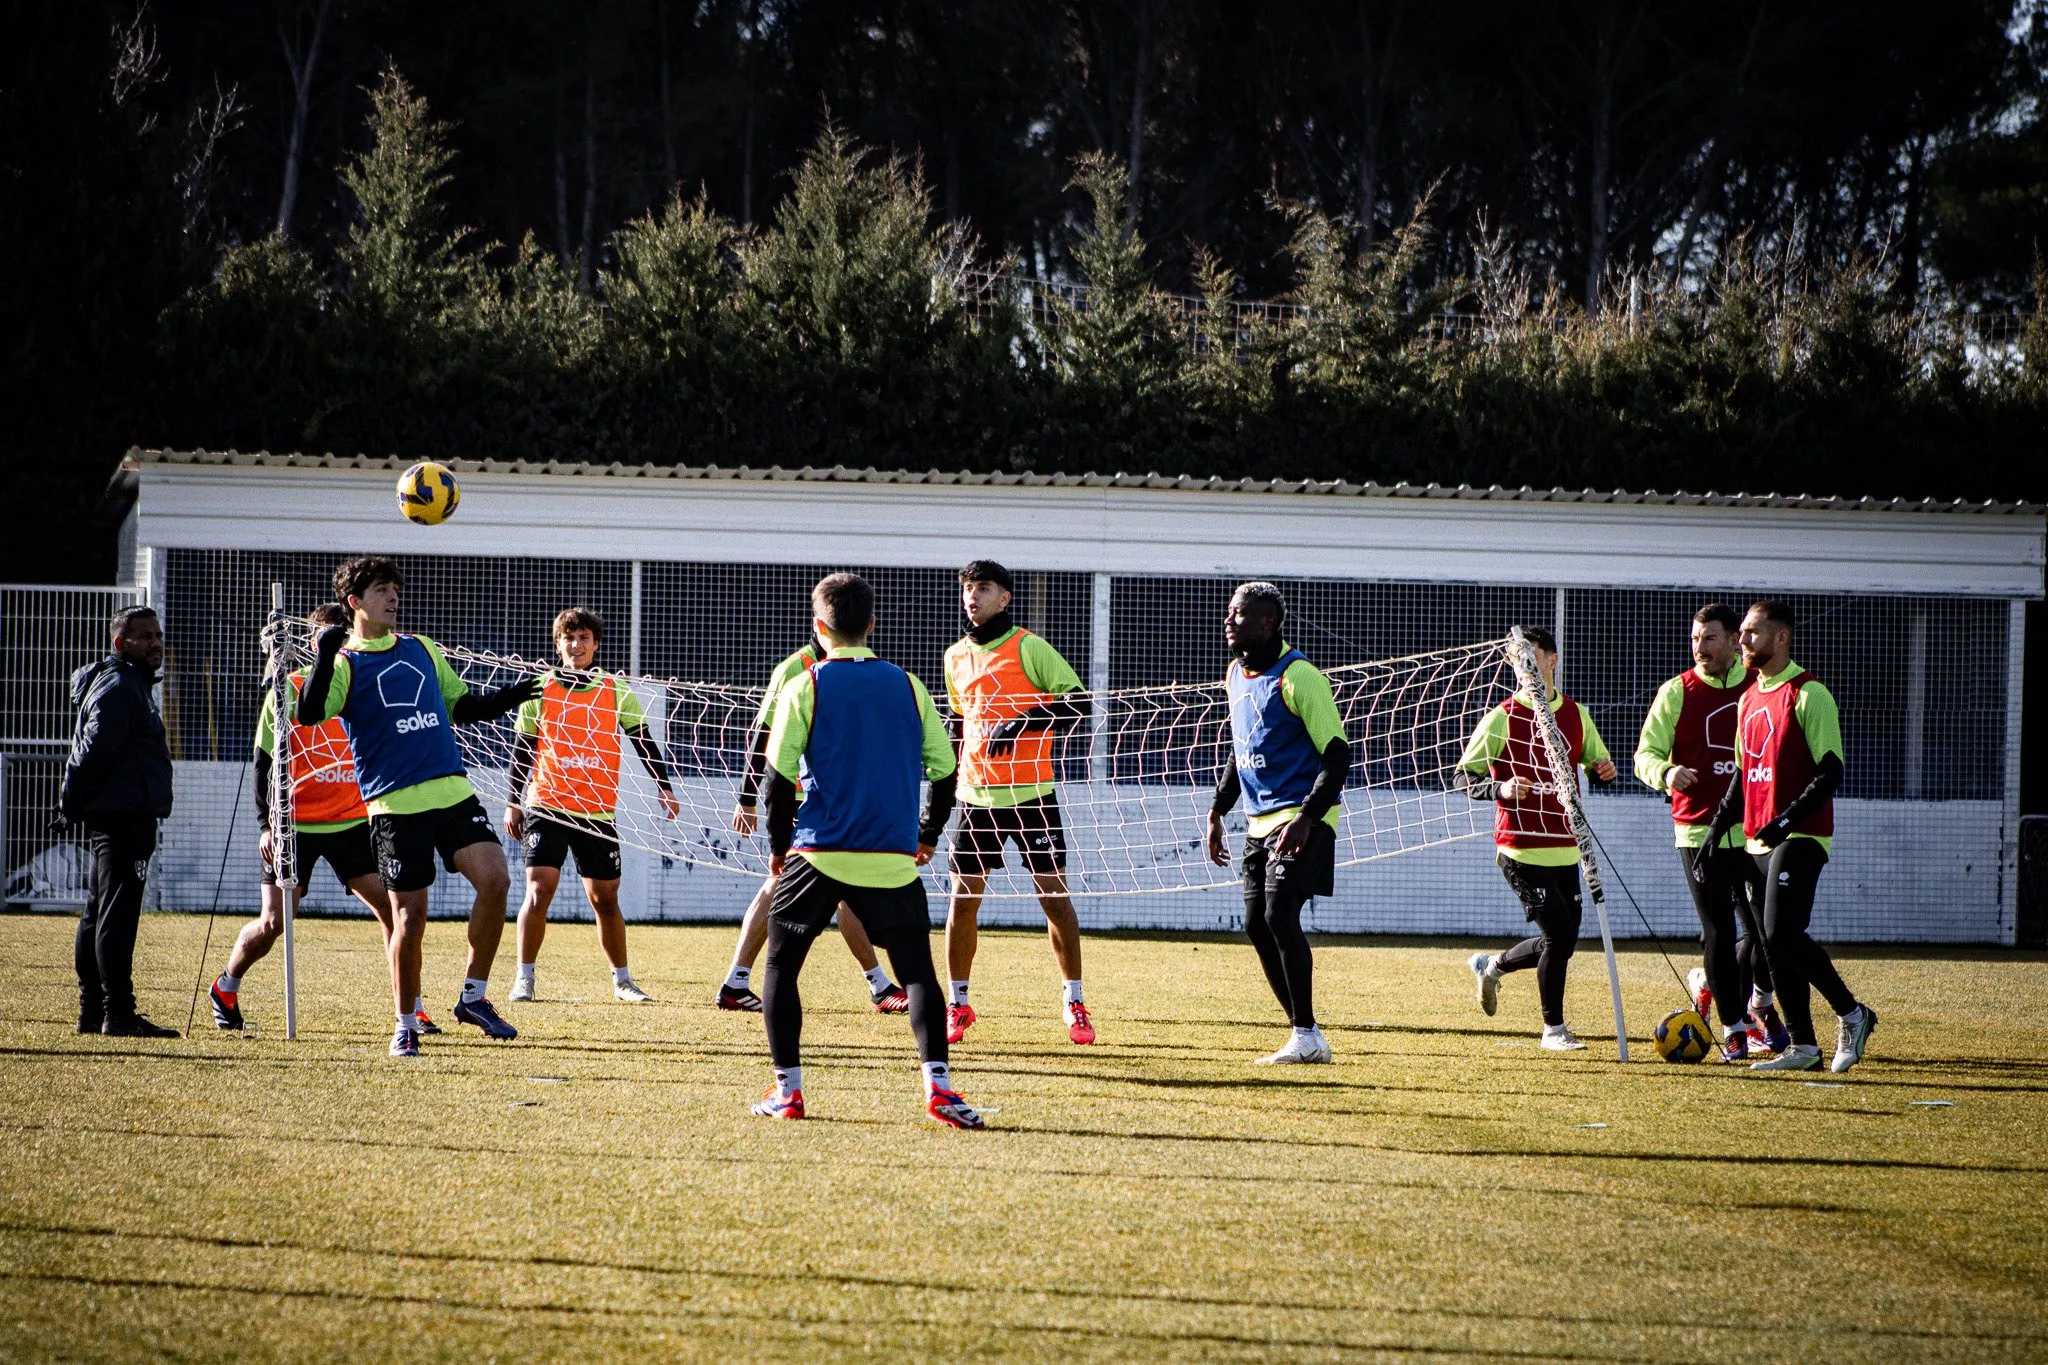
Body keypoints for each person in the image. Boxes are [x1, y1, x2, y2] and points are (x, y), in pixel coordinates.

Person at [753, 572, 983, 1127]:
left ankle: (788, 1093)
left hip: (817, 853)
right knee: (918, 973)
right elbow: (946, 770)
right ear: (871, 625)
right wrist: (928, 834)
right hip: (890, 858)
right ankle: (939, 1088)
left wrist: (779, 847)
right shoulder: (909, 685)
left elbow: (777, 780)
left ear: (818, 626)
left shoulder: (804, 684)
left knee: (781, 967)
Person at [297, 556, 539, 1057]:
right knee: (409, 918)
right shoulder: (345, 662)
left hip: (452, 792)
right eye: (381, 589)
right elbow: (310, 713)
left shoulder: (421, 647)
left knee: (496, 879)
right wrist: (324, 654)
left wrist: (511, 696)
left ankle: (473, 997)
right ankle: (405, 1023)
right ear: (354, 602)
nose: (393, 597)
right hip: (394, 805)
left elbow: (461, 708)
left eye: (395, 588)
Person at [209, 604, 410, 1032]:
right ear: (313, 642)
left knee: (393, 909)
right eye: (329, 639)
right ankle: (226, 985)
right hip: (294, 824)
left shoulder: (365, 683)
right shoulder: (288, 689)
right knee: (275, 922)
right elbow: (263, 765)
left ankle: (409, 1008)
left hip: (351, 822)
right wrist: (266, 825)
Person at [1701, 600, 1877, 1074]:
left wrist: (1785, 820)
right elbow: (1743, 775)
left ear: (1781, 638)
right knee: (1770, 943)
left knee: (1781, 933)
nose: (1742, 640)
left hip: (1801, 834)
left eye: (1752, 632)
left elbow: (1830, 771)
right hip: (1756, 839)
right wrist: (1717, 827)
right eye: (1741, 633)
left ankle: (1852, 1013)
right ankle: (1803, 1046)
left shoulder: (1809, 693)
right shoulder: (1747, 699)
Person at [940, 559, 1094, 1046]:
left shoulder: (1029, 647)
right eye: (968, 588)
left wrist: (1023, 721)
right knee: (962, 901)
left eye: (983, 588)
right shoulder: (954, 656)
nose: (973, 595)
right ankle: (958, 1004)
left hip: (1032, 796)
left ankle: (1074, 1001)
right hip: (974, 797)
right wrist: (943, 782)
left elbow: (1079, 703)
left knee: (1054, 898)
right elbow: (958, 724)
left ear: (1004, 598)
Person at [718, 632, 907, 1016]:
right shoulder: (795, 668)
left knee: (842, 886)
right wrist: (746, 797)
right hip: (801, 799)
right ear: (821, 624)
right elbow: (765, 733)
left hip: (834, 801)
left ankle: (878, 985)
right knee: (786, 883)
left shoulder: (855, 667)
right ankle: (737, 981)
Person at [1633, 603, 1790, 1063]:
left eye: (1710, 638)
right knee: (1719, 931)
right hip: (1698, 832)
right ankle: (1733, 1028)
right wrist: (1666, 772)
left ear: (1734, 641)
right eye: (1695, 639)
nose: (1699, 647)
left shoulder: (1759, 685)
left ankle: (1756, 1001)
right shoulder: (1675, 692)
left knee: (1767, 933)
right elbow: (1644, 755)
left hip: (1756, 830)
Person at [1204, 582, 1352, 1065]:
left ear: (1268, 621)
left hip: (1302, 815)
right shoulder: (1235, 674)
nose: (1228, 620)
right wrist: (1217, 811)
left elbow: (1337, 756)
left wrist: (1307, 818)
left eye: (1239, 614)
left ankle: (1305, 1034)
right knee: (1255, 923)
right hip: (1258, 820)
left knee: (1278, 914)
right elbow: (1241, 748)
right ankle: (1306, 1033)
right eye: (1229, 612)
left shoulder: (1299, 676)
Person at [504, 608, 677, 1004]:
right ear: (558, 644)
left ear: (595, 644)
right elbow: (522, 750)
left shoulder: (615, 689)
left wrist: (664, 788)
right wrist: (513, 802)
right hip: (546, 804)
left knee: (604, 898)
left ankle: (623, 981)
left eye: (583, 638)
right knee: (539, 888)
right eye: (569, 638)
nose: (576, 645)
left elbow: (643, 740)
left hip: (596, 810)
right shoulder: (540, 688)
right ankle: (524, 978)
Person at [1458, 627, 1618, 1051]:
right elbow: (1463, 776)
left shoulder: (1576, 715)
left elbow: (1596, 765)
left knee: (1560, 942)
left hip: (1567, 846)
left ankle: (1492, 967)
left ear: (1552, 660)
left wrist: (1603, 772)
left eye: (1530, 654)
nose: (1523, 664)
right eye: (1515, 657)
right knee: (1560, 938)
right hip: (1520, 847)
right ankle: (1553, 1030)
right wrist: (1501, 788)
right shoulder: (1502, 716)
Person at [60, 605, 178, 1038]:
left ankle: (92, 1012)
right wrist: (70, 801)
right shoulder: (122, 687)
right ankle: (118, 1013)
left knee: (98, 911)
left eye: (158, 635)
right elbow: (91, 751)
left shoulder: (128, 683)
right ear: (120, 643)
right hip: (124, 817)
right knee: (116, 915)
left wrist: (74, 802)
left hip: (119, 813)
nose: (155, 644)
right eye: (144, 637)